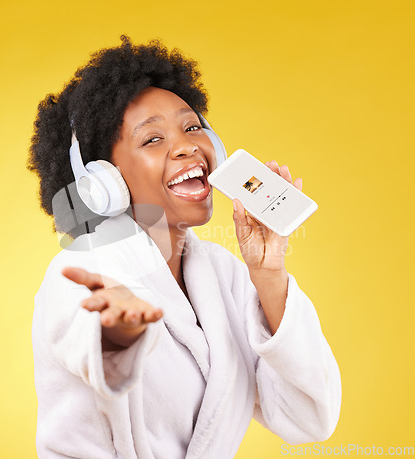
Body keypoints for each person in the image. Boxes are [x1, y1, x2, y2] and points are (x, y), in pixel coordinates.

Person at [27, 35, 341, 458]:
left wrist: (269, 277)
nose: (187, 145)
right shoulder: (83, 268)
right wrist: (123, 332)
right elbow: (101, 359)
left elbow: (309, 419)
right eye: (152, 139)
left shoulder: (222, 273)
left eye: (192, 127)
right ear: (104, 183)